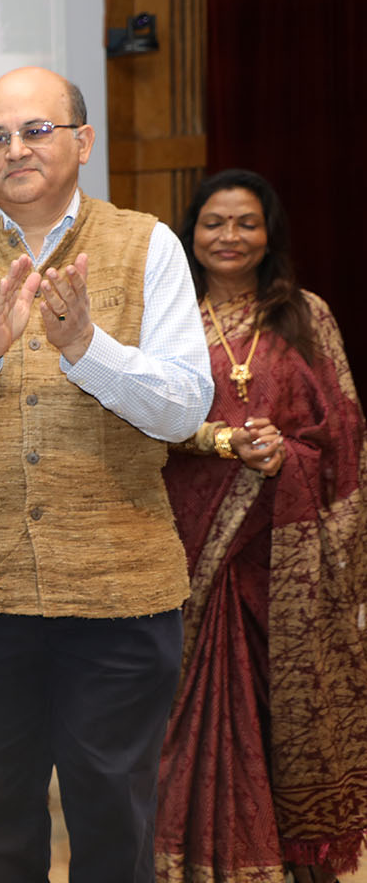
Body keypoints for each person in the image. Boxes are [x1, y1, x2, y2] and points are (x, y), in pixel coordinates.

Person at [0, 66, 214, 883]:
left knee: (114, 821)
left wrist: (89, 348)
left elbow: (185, 409)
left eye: (35, 130)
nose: (14, 149)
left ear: (83, 141)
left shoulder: (147, 244)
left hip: (120, 589)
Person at [155, 169, 367, 883]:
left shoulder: (307, 315)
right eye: (214, 222)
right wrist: (222, 441)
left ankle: (283, 854)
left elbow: (343, 430)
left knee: (281, 706)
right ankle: (192, 855)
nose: (230, 237)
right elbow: (140, 422)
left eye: (246, 223)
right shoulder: (168, 315)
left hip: (285, 560)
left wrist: (290, 454)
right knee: (193, 707)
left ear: (268, 233)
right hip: (188, 551)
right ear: (192, 233)